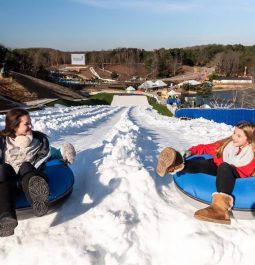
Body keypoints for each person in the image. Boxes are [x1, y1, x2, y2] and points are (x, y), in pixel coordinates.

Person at [156, 121, 255, 225]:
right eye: (234, 132)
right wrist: (191, 151)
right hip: (218, 170)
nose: (234, 137)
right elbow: (206, 148)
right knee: (204, 164)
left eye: (239, 136)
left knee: (224, 166)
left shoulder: (253, 154)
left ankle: (220, 210)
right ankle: (176, 164)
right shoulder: (227, 144)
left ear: (249, 139)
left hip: (234, 176)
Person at [0, 108, 76, 237]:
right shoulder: (2, 141)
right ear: (14, 126)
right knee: (3, 168)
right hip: (8, 180)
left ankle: (38, 197)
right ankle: (6, 218)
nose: (31, 125)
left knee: (26, 165)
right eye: (26, 123)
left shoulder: (39, 141)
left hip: (29, 176)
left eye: (30, 122)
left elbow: (53, 153)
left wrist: (65, 150)